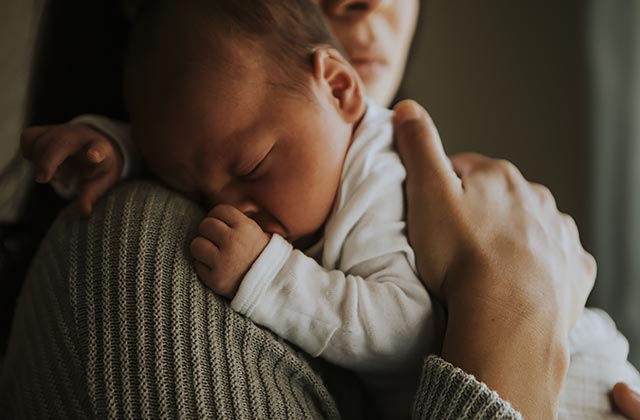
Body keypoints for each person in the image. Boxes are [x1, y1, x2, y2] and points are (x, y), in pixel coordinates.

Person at [2, 0, 640, 418]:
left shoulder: (376, 180)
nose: (230, 211)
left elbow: (402, 329)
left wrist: (271, 278)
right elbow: (206, 141)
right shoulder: (138, 245)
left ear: (337, 86)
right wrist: (113, 145)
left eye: (252, 170)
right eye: (197, 196)